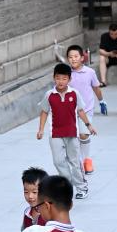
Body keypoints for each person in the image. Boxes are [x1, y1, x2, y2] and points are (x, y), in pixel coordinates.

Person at [37, 63, 97, 200]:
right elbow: (44, 112)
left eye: (64, 79)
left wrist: (89, 126)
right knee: (58, 161)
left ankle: (82, 187)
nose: (61, 81)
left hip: (71, 133)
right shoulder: (49, 95)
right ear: (54, 78)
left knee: (74, 161)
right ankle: (68, 184)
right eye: (58, 78)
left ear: (69, 80)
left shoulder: (74, 94)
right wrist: (40, 130)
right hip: (55, 134)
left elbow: (81, 111)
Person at [66, 44, 108, 174]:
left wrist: (101, 101)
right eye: (70, 57)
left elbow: (96, 87)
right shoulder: (66, 74)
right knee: (72, 138)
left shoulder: (90, 72)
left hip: (86, 109)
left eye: (76, 56)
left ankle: (87, 160)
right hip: (69, 111)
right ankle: (77, 161)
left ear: (82, 58)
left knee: (83, 134)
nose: (73, 59)